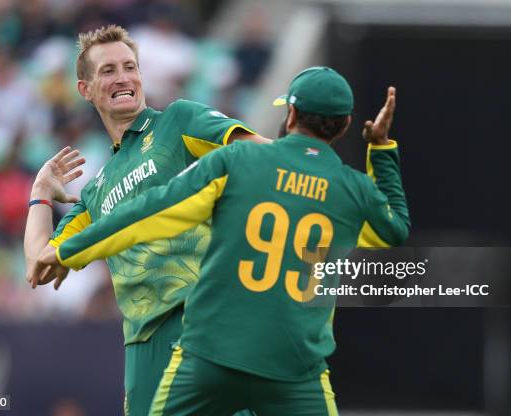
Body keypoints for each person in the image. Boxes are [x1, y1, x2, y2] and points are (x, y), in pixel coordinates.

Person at [32, 66, 410, 415]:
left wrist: (68, 249)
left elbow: (146, 212)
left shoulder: (237, 160)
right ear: (344, 125)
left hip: (211, 356)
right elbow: (395, 227)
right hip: (295, 367)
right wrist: (381, 148)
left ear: (291, 116)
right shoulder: (351, 189)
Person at [24, 24, 267, 415]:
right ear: (85, 89)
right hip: (145, 345)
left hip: (208, 323)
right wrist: (39, 192)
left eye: (130, 67)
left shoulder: (180, 121)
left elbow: (267, 160)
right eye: (108, 70)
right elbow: (38, 264)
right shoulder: (96, 192)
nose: (123, 77)